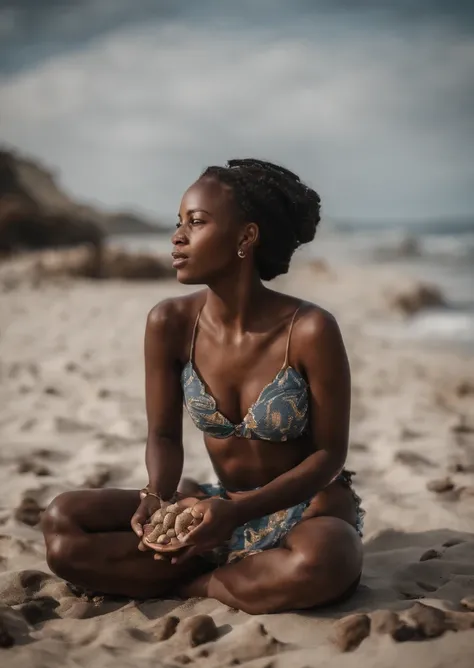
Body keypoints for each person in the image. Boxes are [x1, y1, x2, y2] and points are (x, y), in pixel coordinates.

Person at [41, 159, 364, 615]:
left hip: (303, 508)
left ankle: (195, 583)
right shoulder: (170, 322)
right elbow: (164, 435)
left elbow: (329, 455)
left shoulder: (310, 329)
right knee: (63, 523)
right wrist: (157, 493)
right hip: (216, 506)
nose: (177, 236)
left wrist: (238, 513)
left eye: (196, 222)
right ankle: (235, 573)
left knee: (325, 560)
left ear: (245, 238)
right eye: (179, 223)